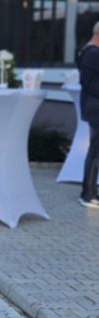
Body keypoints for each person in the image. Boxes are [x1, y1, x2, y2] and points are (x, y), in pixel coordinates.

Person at [77, 21, 99, 209]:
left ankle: (89, 192)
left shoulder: (86, 51)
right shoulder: (93, 54)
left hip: (92, 107)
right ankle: (88, 194)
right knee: (95, 151)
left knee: (95, 150)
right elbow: (93, 84)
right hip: (96, 108)